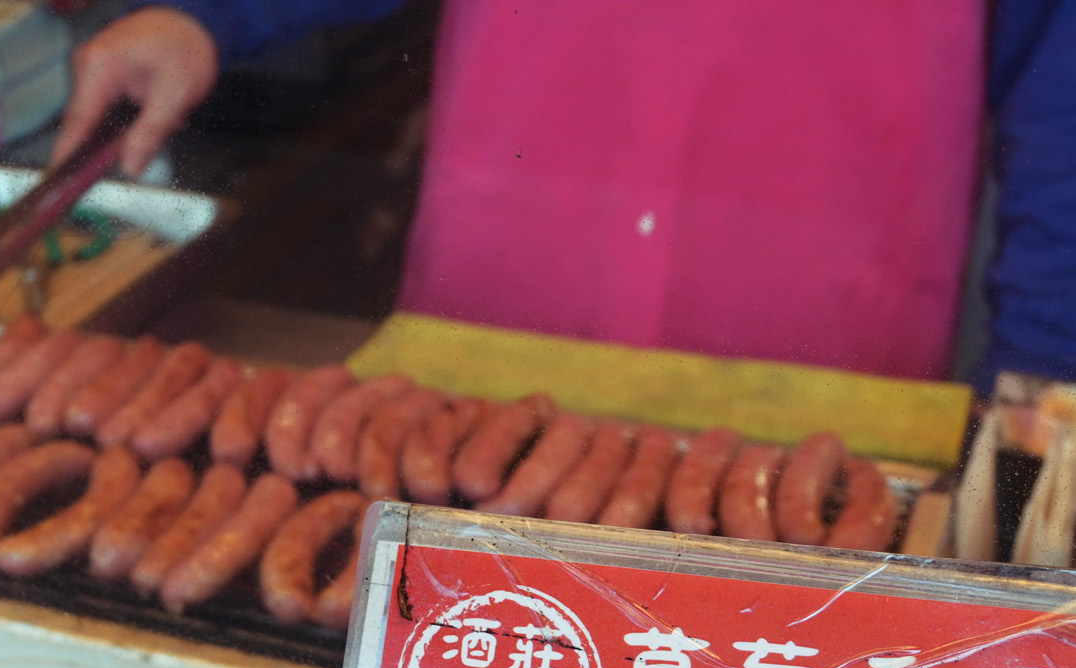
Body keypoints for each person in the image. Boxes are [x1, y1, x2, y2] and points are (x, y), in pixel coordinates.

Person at [52, 2, 1076, 392]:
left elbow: (1063, 117)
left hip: (812, 371)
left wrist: (1040, 376)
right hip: (498, 312)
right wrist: (210, 20)